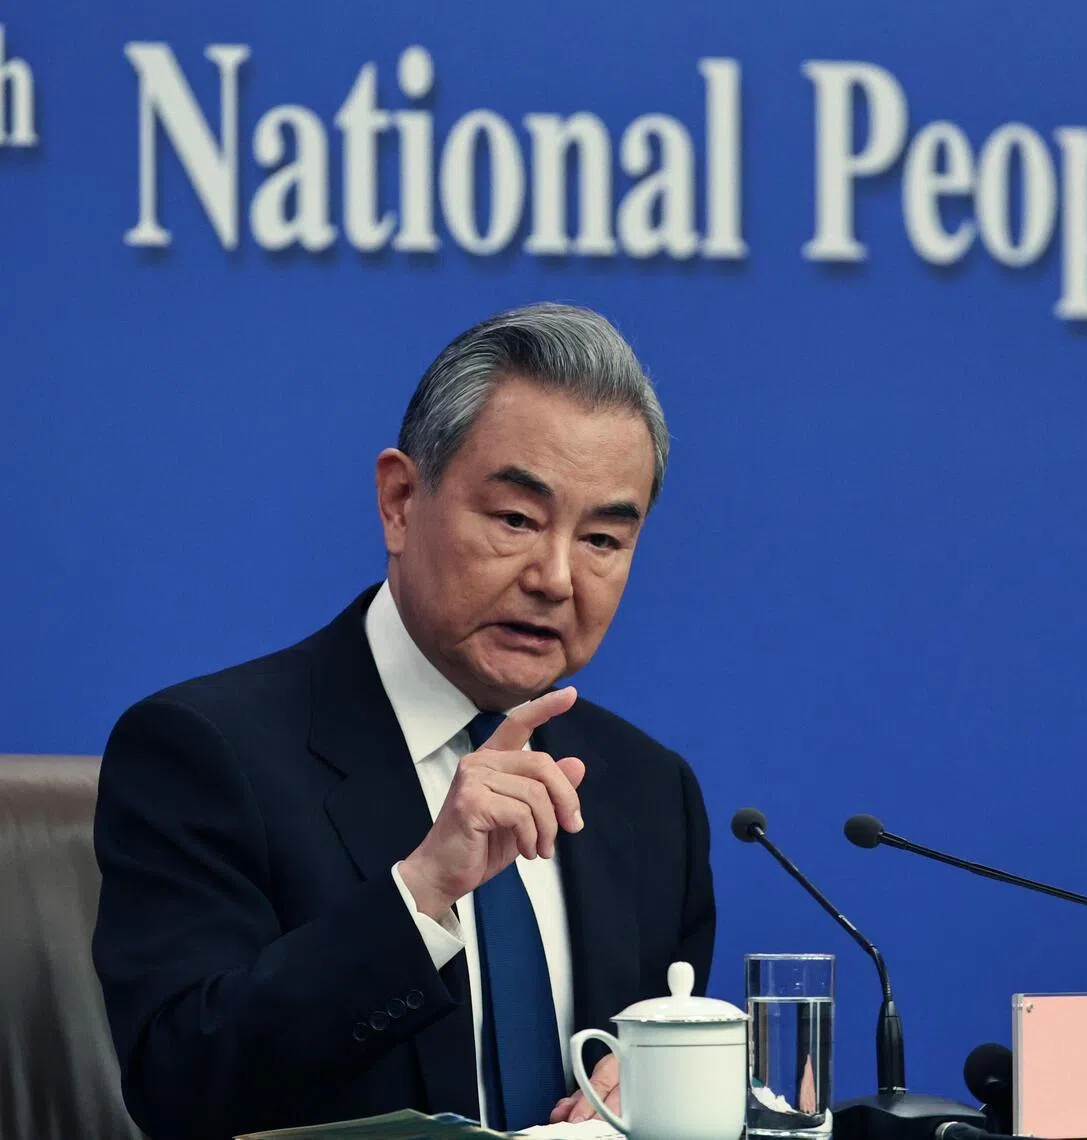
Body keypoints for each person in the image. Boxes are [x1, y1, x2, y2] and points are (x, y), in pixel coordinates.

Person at [92, 303, 715, 1140]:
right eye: (517, 520)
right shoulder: (205, 752)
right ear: (399, 501)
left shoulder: (650, 792)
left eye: (602, 539)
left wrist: (674, 1084)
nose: (556, 578)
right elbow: (179, 1088)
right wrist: (419, 895)